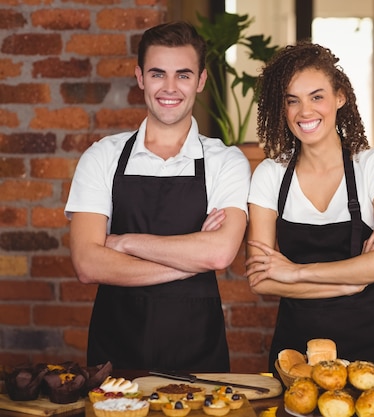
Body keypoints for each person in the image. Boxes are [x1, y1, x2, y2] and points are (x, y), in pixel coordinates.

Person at [64, 21, 250, 372]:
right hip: (114, 358)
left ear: (201, 80)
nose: (169, 88)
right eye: (157, 74)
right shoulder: (102, 156)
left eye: (182, 75)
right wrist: (189, 260)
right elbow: (88, 265)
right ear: (140, 78)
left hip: (199, 356)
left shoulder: (225, 161)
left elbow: (220, 252)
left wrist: (123, 243)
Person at [246, 41, 374, 376]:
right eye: (293, 100)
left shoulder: (373, 165)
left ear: (340, 97)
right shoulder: (270, 174)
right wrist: (353, 279)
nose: (305, 111)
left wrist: (296, 272)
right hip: (295, 356)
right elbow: (261, 279)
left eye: (316, 96)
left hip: (371, 352)